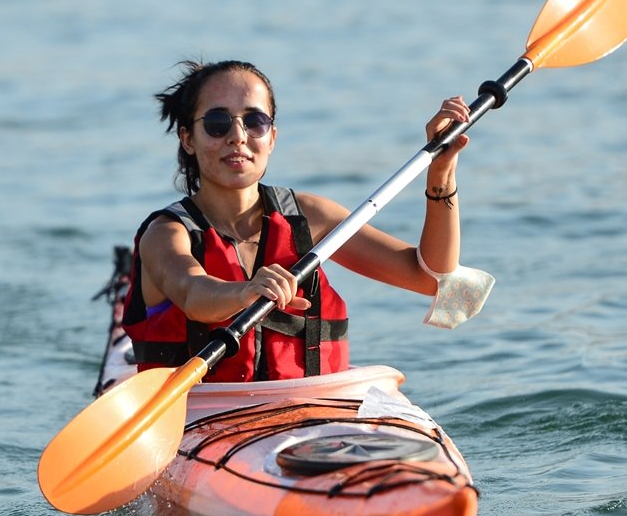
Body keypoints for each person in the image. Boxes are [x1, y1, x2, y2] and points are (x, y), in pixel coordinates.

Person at [122, 60, 493, 383]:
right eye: (218, 123)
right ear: (187, 138)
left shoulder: (310, 217)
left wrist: (440, 173)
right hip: (205, 417)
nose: (238, 137)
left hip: (309, 407)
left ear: (272, 137)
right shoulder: (166, 235)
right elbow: (192, 293)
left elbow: (430, 278)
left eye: (254, 121)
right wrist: (244, 291)